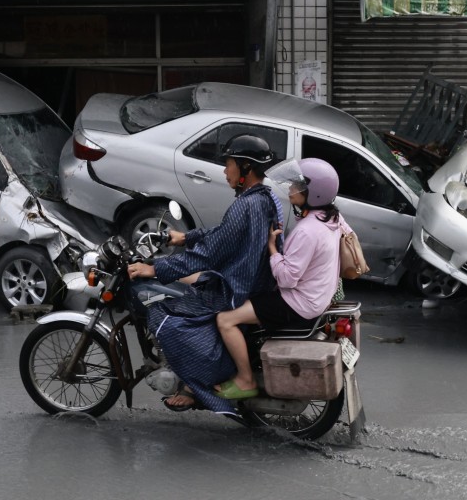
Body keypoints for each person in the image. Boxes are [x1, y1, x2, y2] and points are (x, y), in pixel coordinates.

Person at [126, 134, 282, 414]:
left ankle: (195, 386)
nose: (225, 170)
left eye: (229, 163)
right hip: (254, 281)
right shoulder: (266, 199)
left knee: (168, 318)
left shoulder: (244, 206)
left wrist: (155, 268)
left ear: (245, 168)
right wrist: (186, 238)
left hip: (236, 289)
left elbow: (208, 254)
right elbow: (224, 236)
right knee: (188, 284)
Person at [213, 157, 347, 400]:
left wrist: (272, 249)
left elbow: (286, 279)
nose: (291, 189)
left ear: (313, 194)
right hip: (317, 298)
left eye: (298, 186)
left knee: (225, 319)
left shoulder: (307, 230)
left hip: (298, 304)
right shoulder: (333, 219)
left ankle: (245, 380)